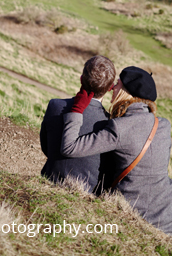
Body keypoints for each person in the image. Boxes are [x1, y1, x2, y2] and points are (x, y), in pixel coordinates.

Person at [60, 66, 172, 237]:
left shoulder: (121, 128)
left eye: (117, 84)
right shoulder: (163, 125)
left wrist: (77, 110)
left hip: (143, 217)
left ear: (125, 92)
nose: (112, 87)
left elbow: (70, 147)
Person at [40, 55, 116, 193]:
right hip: (86, 193)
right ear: (110, 88)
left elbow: (46, 147)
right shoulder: (110, 124)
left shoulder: (55, 106)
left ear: (81, 79)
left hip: (49, 180)